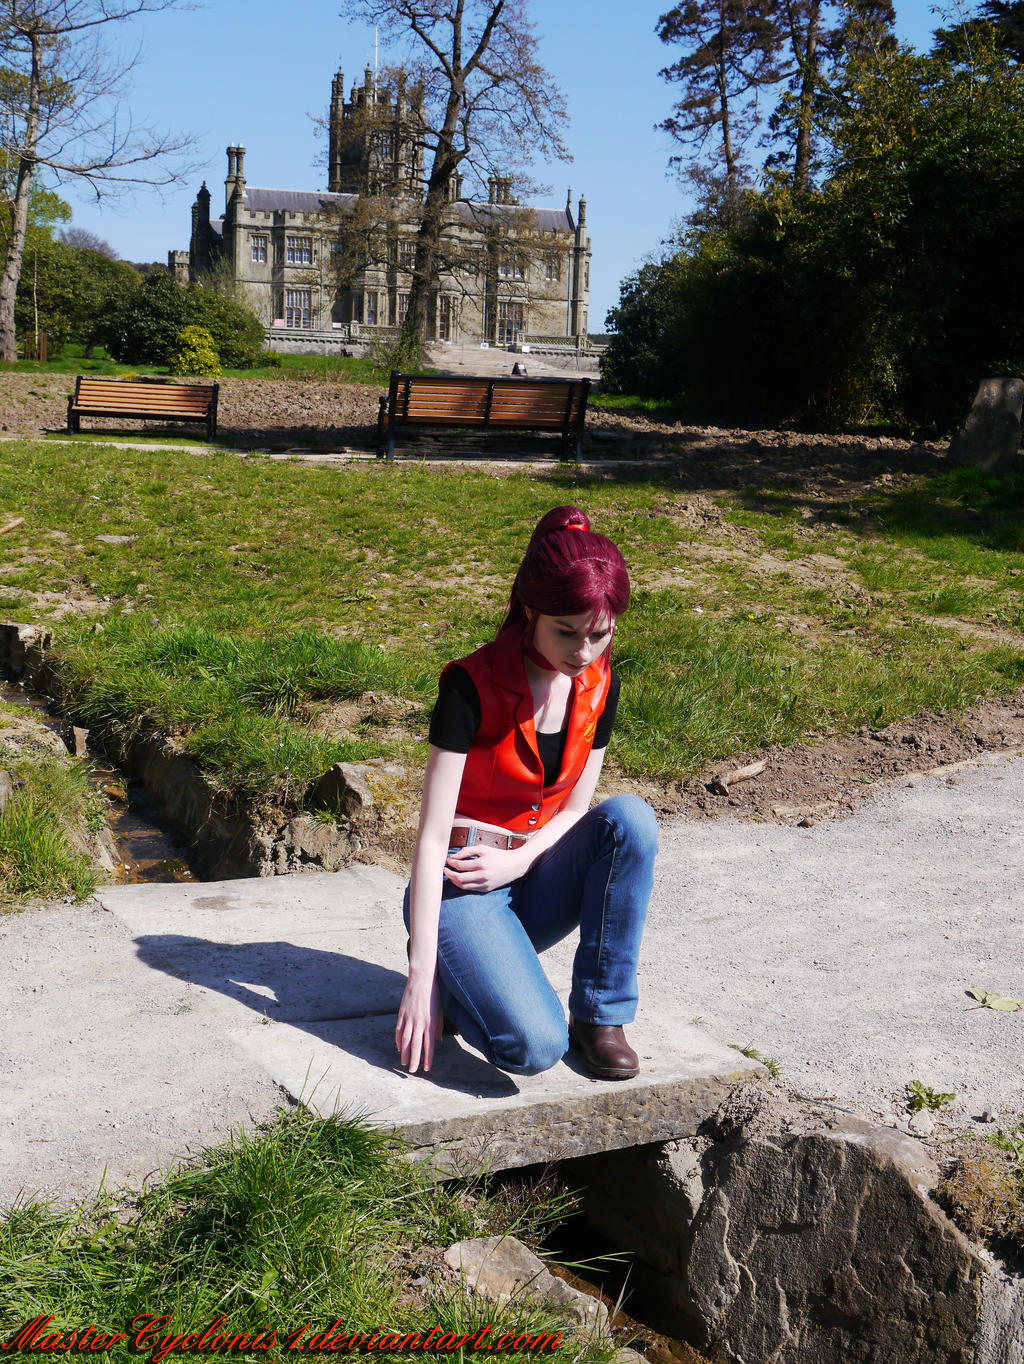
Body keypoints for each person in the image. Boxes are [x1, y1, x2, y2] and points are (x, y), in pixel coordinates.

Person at [395, 505, 658, 1080]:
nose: (583, 652)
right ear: (531, 609)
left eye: (600, 634)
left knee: (632, 819)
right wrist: (419, 980)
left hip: (529, 870)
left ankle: (600, 1017)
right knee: (535, 1049)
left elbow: (576, 810)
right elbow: (432, 834)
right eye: (566, 631)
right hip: (462, 885)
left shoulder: (600, 682)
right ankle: (447, 968)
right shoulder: (471, 685)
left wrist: (519, 859)